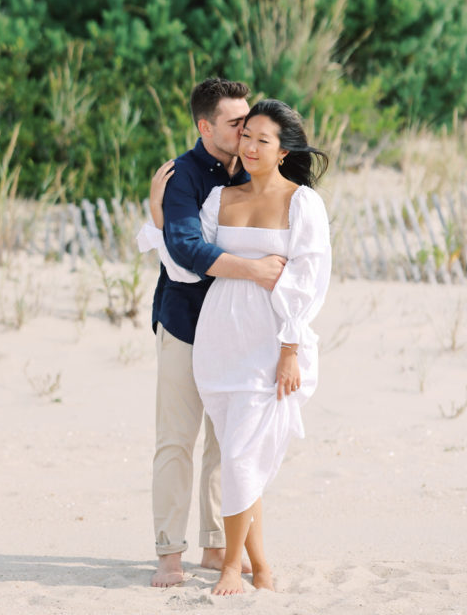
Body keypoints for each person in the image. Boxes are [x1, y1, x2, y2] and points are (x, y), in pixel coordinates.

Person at [141, 98, 331, 595]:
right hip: (216, 338)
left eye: (259, 138)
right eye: (243, 134)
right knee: (227, 451)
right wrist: (159, 217)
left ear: (284, 151)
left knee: (241, 454)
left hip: (268, 343)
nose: (246, 144)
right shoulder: (215, 194)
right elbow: (185, 261)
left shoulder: (303, 203)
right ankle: (251, 566)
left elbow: (308, 280)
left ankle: (232, 565)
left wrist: (290, 347)